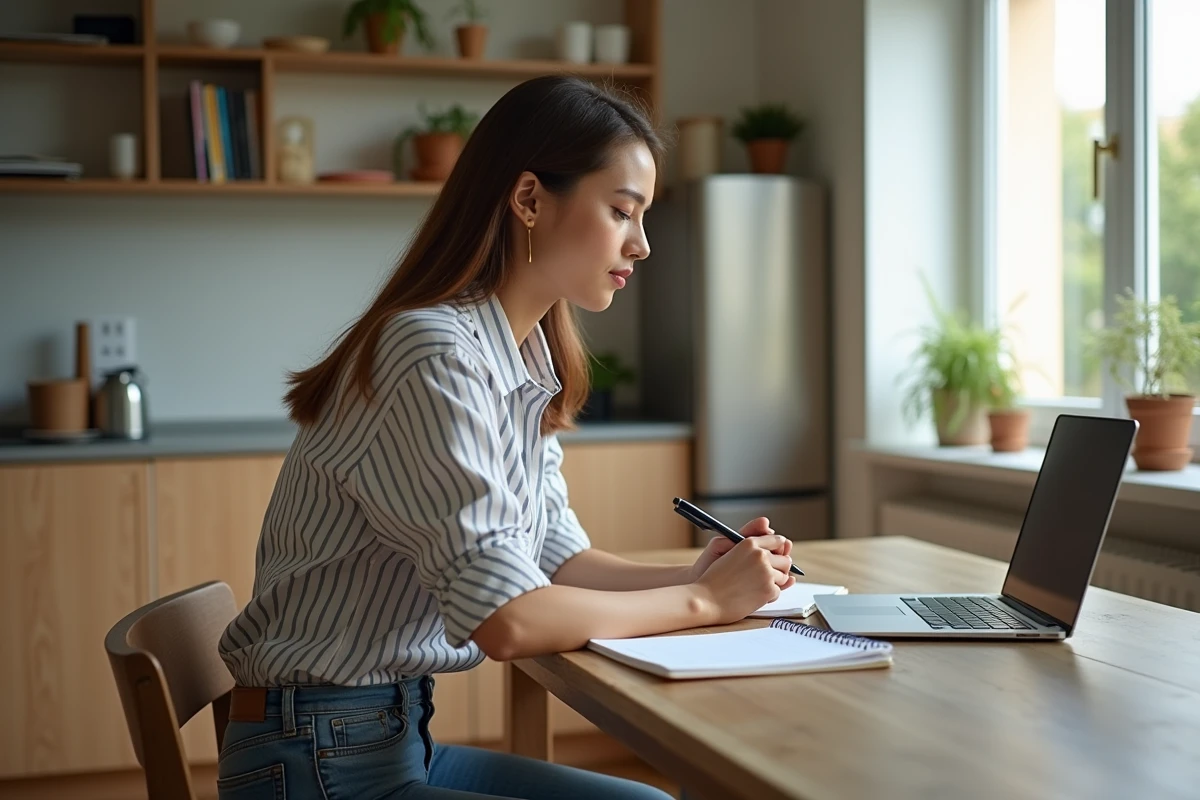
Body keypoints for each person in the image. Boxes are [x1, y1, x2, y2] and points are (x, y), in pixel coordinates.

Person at [216, 75, 797, 800]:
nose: (642, 245)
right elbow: (509, 620)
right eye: (622, 211)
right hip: (320, 763)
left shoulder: (518, 359)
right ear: (528, 199)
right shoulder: (433, 355)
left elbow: (559, 561)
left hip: (387, 740)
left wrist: (700, 576)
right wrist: (705, 605)